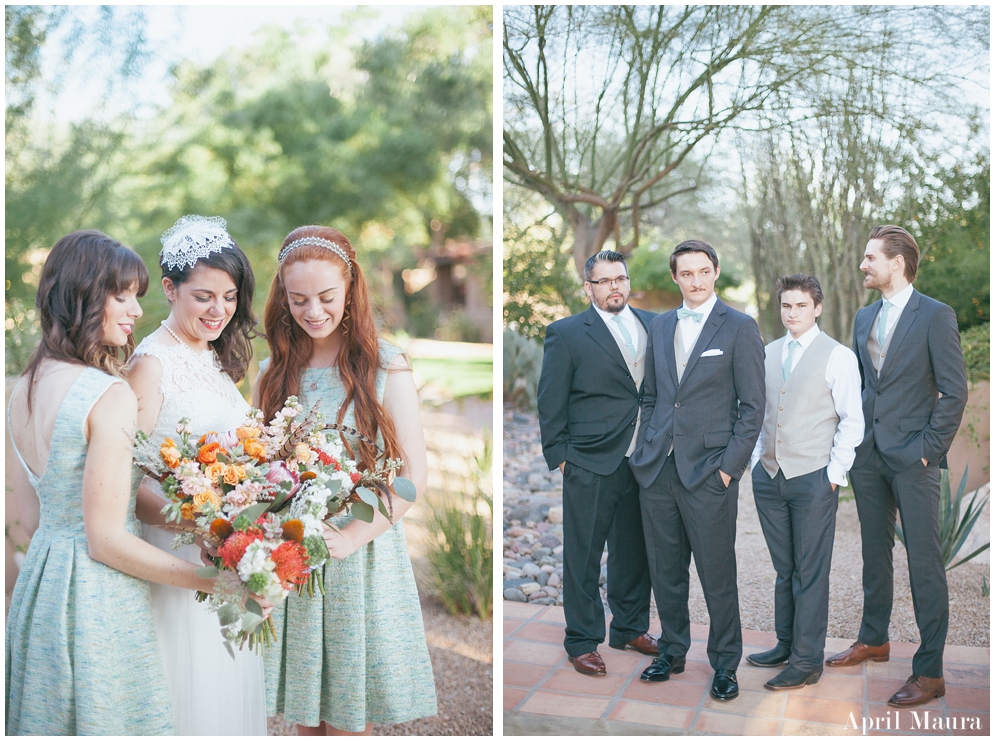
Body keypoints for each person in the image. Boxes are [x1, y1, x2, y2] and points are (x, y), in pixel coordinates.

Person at [5, 231, 229, 735]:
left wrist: (202, 522)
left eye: (137, 297)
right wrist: (216, 583)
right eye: (121, 295)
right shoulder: (109, 394)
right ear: (82, 295)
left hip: (41, 584)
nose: (134, 311)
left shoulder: (24, 387)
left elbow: (29, 517)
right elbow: (105, 539)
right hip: (97, 596)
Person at [256, 225, 437, 736]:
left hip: (361, 554)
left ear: (351, 289)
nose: (313, 311)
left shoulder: (385, 365)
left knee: (347, 718)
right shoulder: (271, 373)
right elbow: (258, 467)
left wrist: (349, 538)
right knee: (303, 716)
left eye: (326, 297)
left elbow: (412, 476)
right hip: (293, 557)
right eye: (298, 300)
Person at [127, 215, 267, 735]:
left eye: (229, 297)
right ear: (169, 288)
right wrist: (201, 526)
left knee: (223, 689)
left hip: (223, 549)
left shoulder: (210, 357)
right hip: (176, 553)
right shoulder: (150, 364)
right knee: (187, 693)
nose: (220, 310)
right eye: (204, 296)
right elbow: (123, 480)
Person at [826, 226, 967, 708]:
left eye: (870, 258)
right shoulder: (864, 316)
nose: (863, 265)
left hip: (914, 457)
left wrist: (929, 448)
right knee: (872, 551)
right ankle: (874, 639)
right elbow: (868, 385)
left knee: (925, 562)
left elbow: (954, 390)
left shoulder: (935, 315)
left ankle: (930, 672)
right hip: (869, 454)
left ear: (898, 263)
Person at [629, 239, 765, 702]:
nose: (696, 280)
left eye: (703, 271)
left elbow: (753, 408)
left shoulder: (741, 328)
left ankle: (725, 664)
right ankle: (672, 649)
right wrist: (645, 447)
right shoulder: (661, 324)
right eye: (686, 273)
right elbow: (652, 395)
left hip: (710, 472)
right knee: (665, 571)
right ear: (675, 278)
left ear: (716, 271)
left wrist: (729, 468)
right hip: (658, 470)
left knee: (716, 574)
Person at [536, 250, 658, 676]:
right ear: (588, 287)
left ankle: (628, 627)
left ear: (627, 281)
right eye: (604, 281)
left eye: (620, 279)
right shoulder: (567, 333)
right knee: (584, 554)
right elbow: (550, 400)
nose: (614, 287)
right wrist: (563, 458)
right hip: (588, 459)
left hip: (642, 459)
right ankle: (582, 640)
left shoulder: (653, 324)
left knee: (635, 550)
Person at [747, 274, 864, 690]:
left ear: (817, 308)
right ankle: (785, 644)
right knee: (785, 569)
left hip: (814, 478)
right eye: (786, 306)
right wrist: (757, 463)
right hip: (771, 476)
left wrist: (833, 475)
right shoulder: (768, 352)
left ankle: (807, 660)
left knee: (809, 572)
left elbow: (853, 421)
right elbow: (761, 414)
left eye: (800, 306)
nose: (792, 313)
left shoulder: (838, 356)